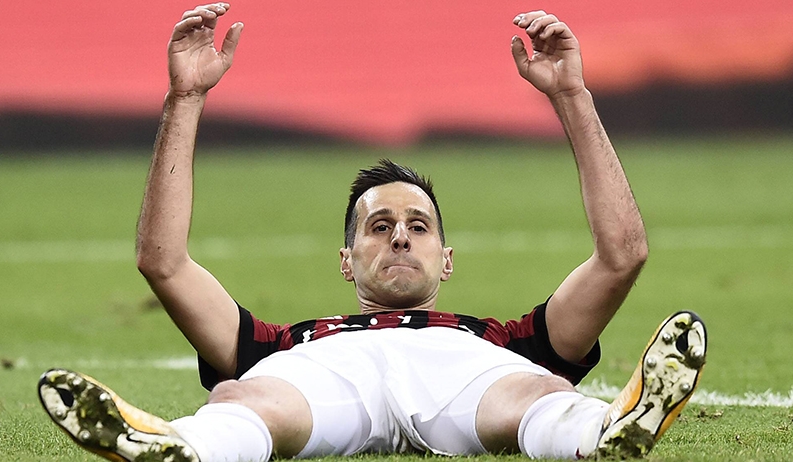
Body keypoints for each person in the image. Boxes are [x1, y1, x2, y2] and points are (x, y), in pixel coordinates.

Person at [38, 3, 707, 461]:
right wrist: (185, 98)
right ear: (346, 259)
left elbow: (622, 256)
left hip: (464, 377)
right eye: (379, 226)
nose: (400, 237)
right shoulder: (281, 345)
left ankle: (605, 433)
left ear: (447, 258)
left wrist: (572, 96)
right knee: (240, 393)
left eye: (418, 226)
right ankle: (181, 448)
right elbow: (162, 261)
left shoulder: (508, 341)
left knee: (545, 390)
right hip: (327, 379)